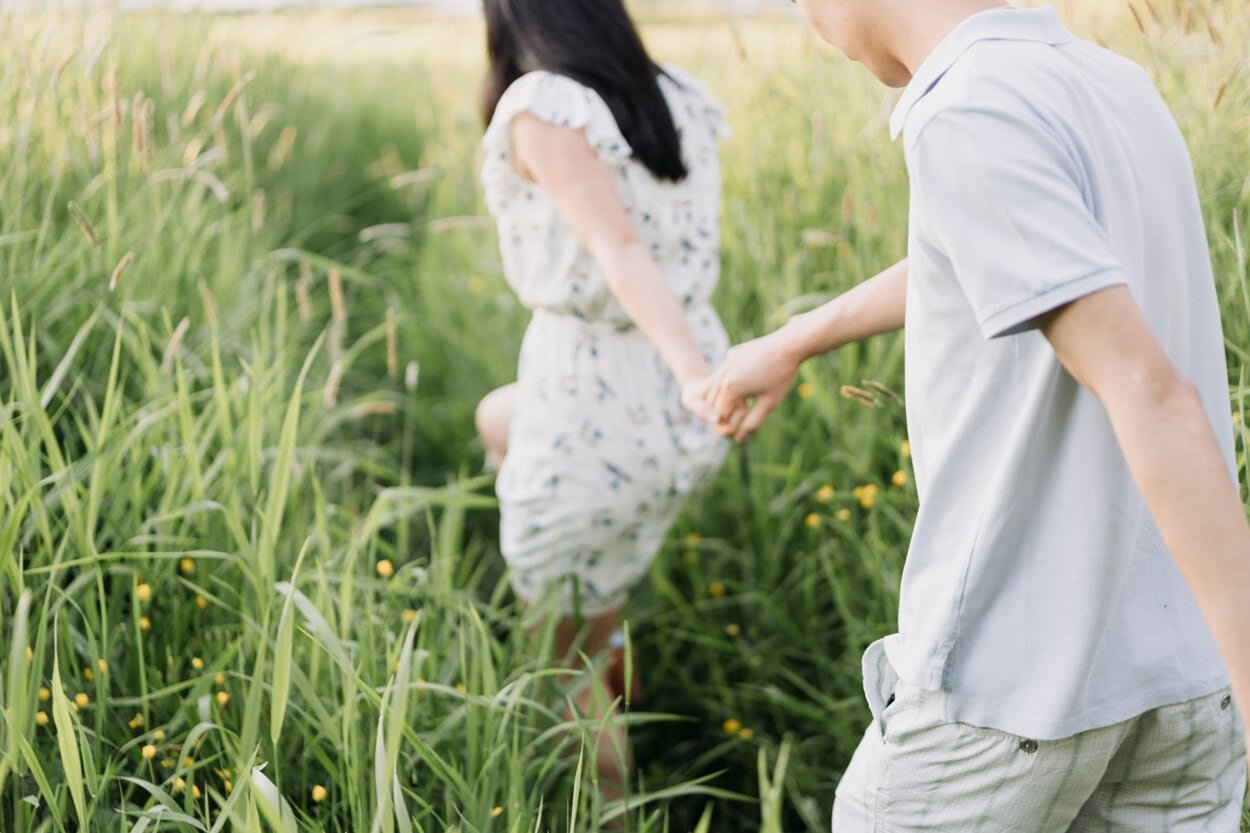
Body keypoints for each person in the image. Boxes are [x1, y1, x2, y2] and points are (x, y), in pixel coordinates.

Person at [698, 1, 1250, 830]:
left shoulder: (966, 107)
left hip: (1011, 694)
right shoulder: (1111, 81)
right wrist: (797, 338)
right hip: (1184, 689)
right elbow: (1003, 256)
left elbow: (1153, 391)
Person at [474, 0, 730, 798]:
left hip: (605, 389)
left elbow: (616, 245)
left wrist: (695, 378)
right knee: (495, 417)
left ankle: (612, 812)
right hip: (662, 394)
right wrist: (691, 377)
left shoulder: (544, 104)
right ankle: (612, 631)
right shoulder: (670, 94)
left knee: (562, 671)